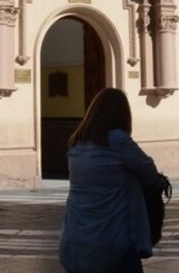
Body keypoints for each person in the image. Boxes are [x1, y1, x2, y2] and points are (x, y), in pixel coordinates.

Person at [59, 88, 160, 273]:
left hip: (76, 236)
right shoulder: (118, 140)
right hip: (112, 237)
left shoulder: (76, 141)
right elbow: (149, 171)